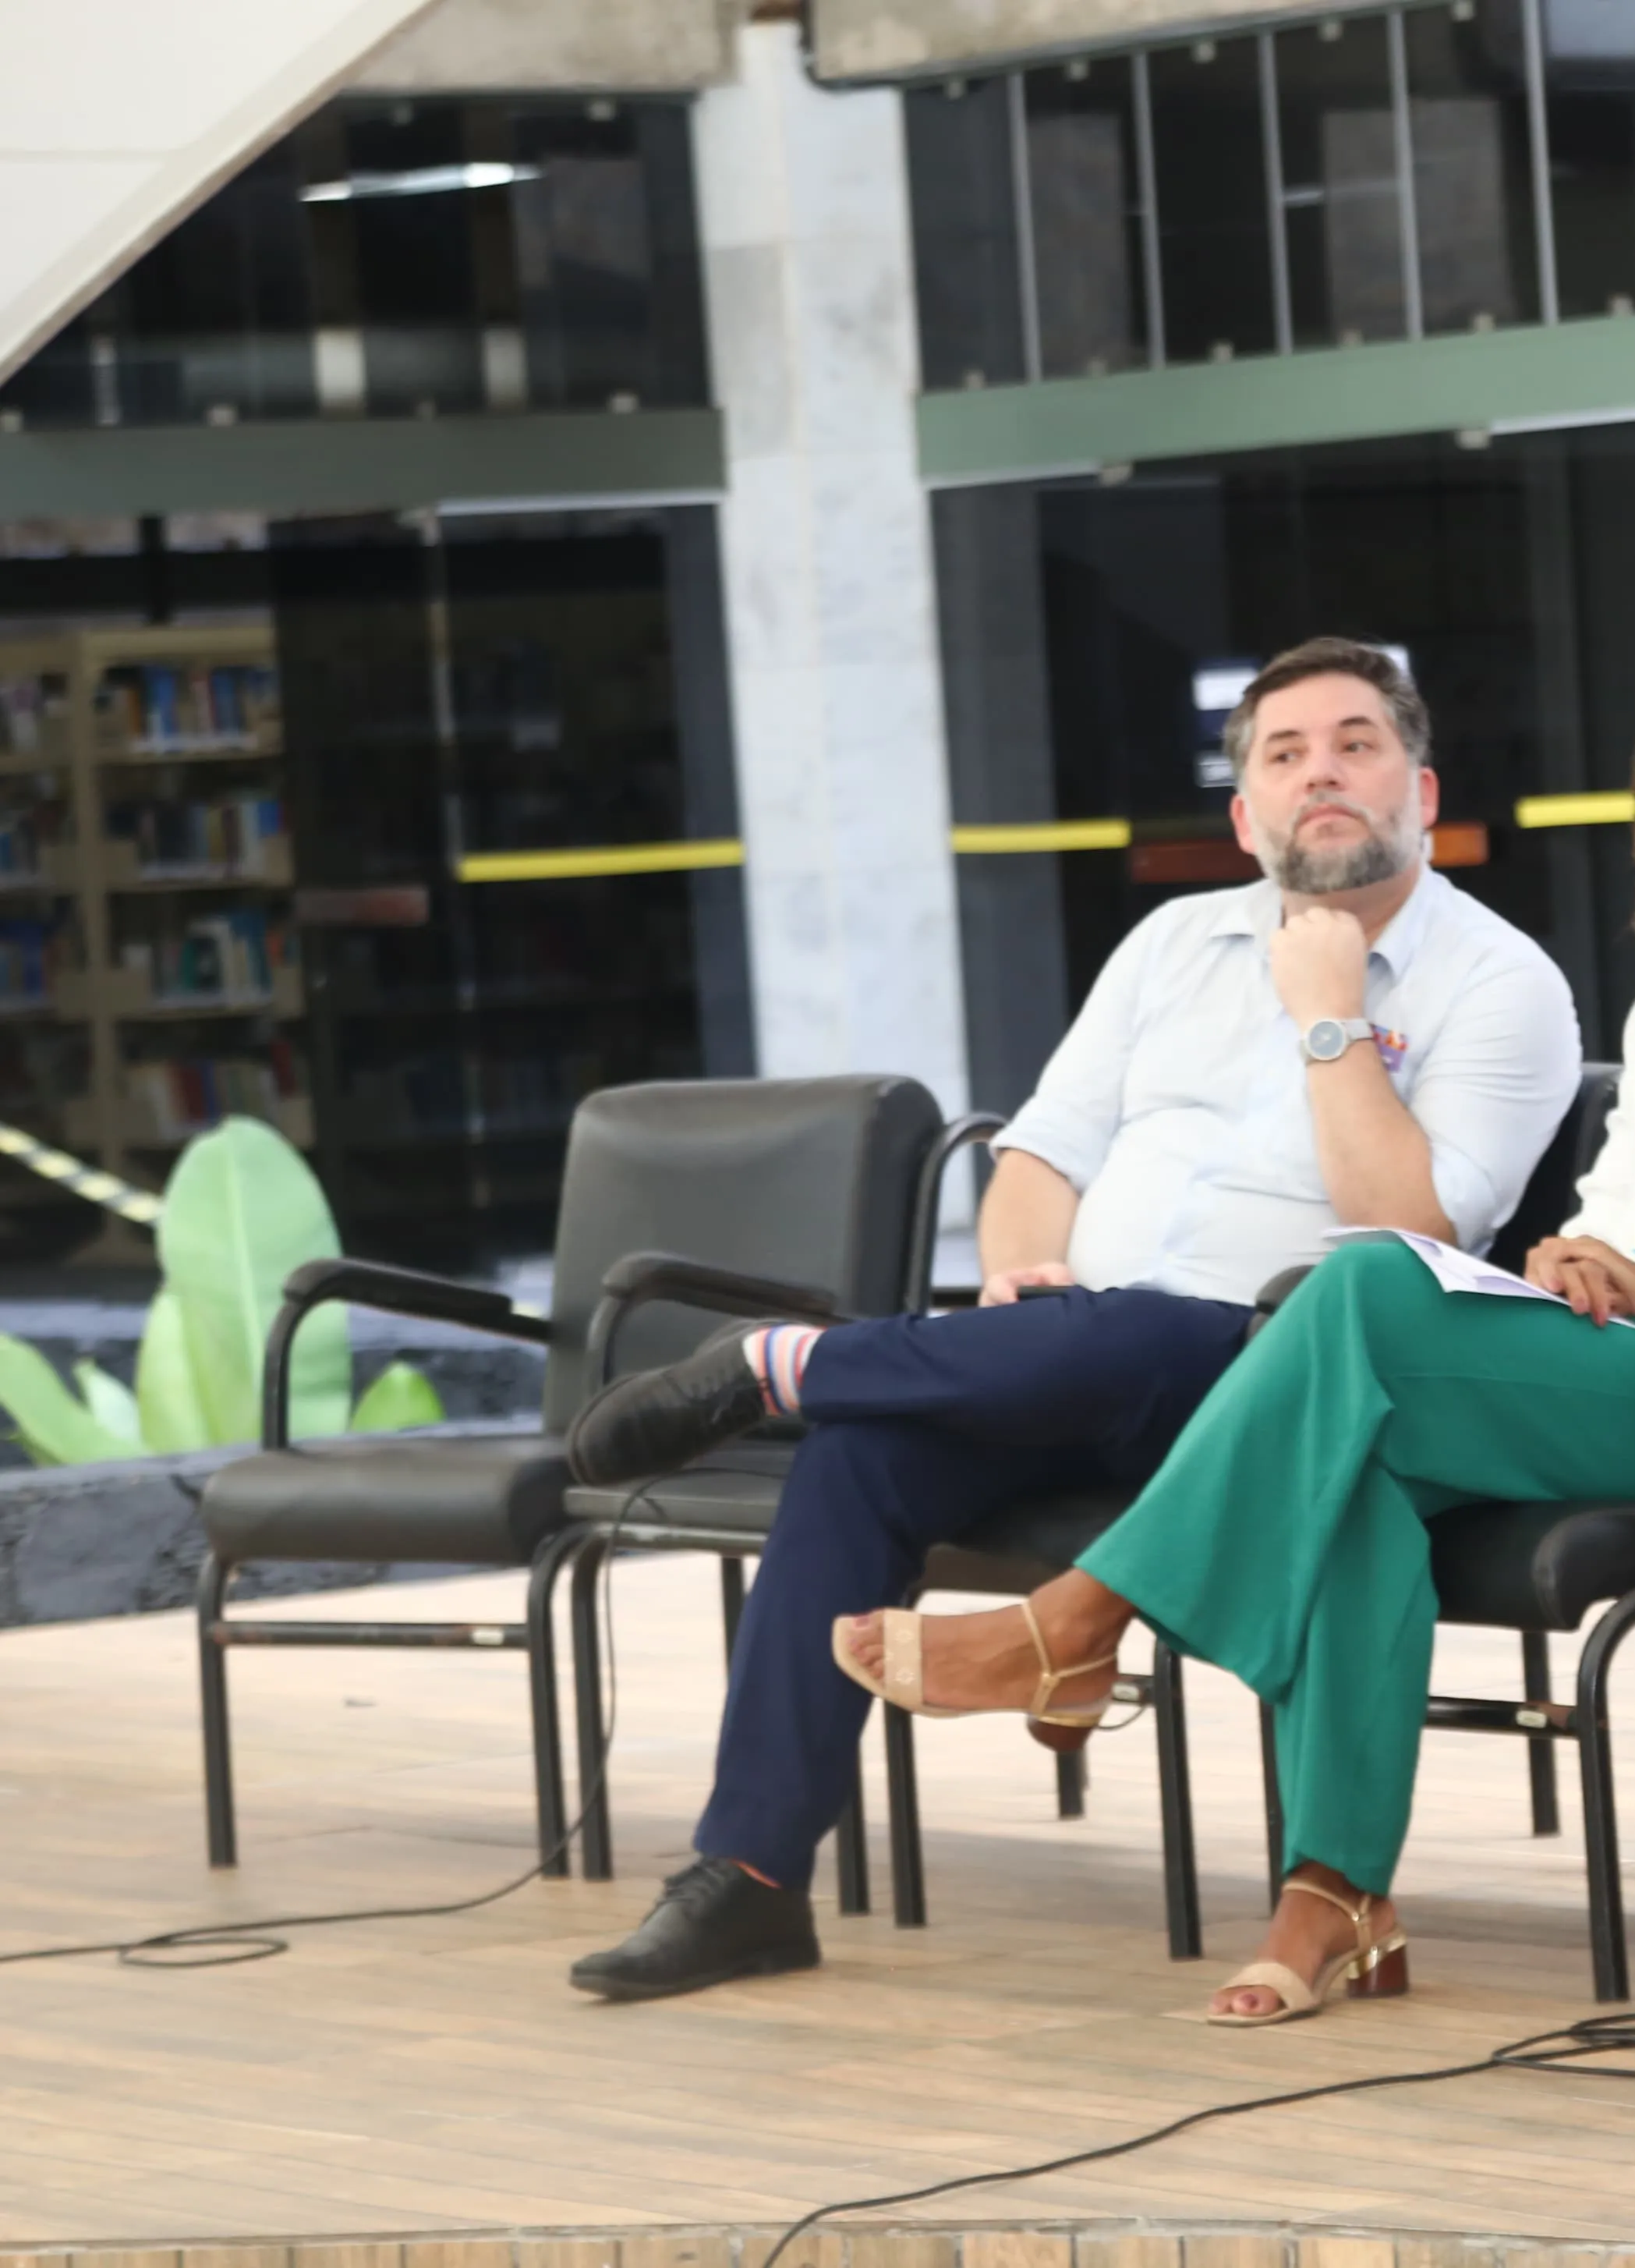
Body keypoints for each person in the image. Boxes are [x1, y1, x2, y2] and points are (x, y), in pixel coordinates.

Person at [832, 628, 1635, 2024]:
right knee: (1354, 1466)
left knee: (1371, 1279)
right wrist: (1585, 1256)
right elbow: (1632, 1219)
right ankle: (1335, 1896)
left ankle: (1083, 1620)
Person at [559, 636, 1581, 2000]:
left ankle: (786, 1364)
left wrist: (1331, 1017)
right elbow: (1039, 1160)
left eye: (1356, 745)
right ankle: (747, 1877)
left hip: (1293, 1384)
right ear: (1244, 814)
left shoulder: (1502, 983)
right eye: (1283, 755)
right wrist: (1018, 1280)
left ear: (1421, 785)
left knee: (1149, 1331)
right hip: (1081, 1349)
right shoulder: (1168, 944)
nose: (1320, 773)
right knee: (866, 1454)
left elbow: (1417, 1236)